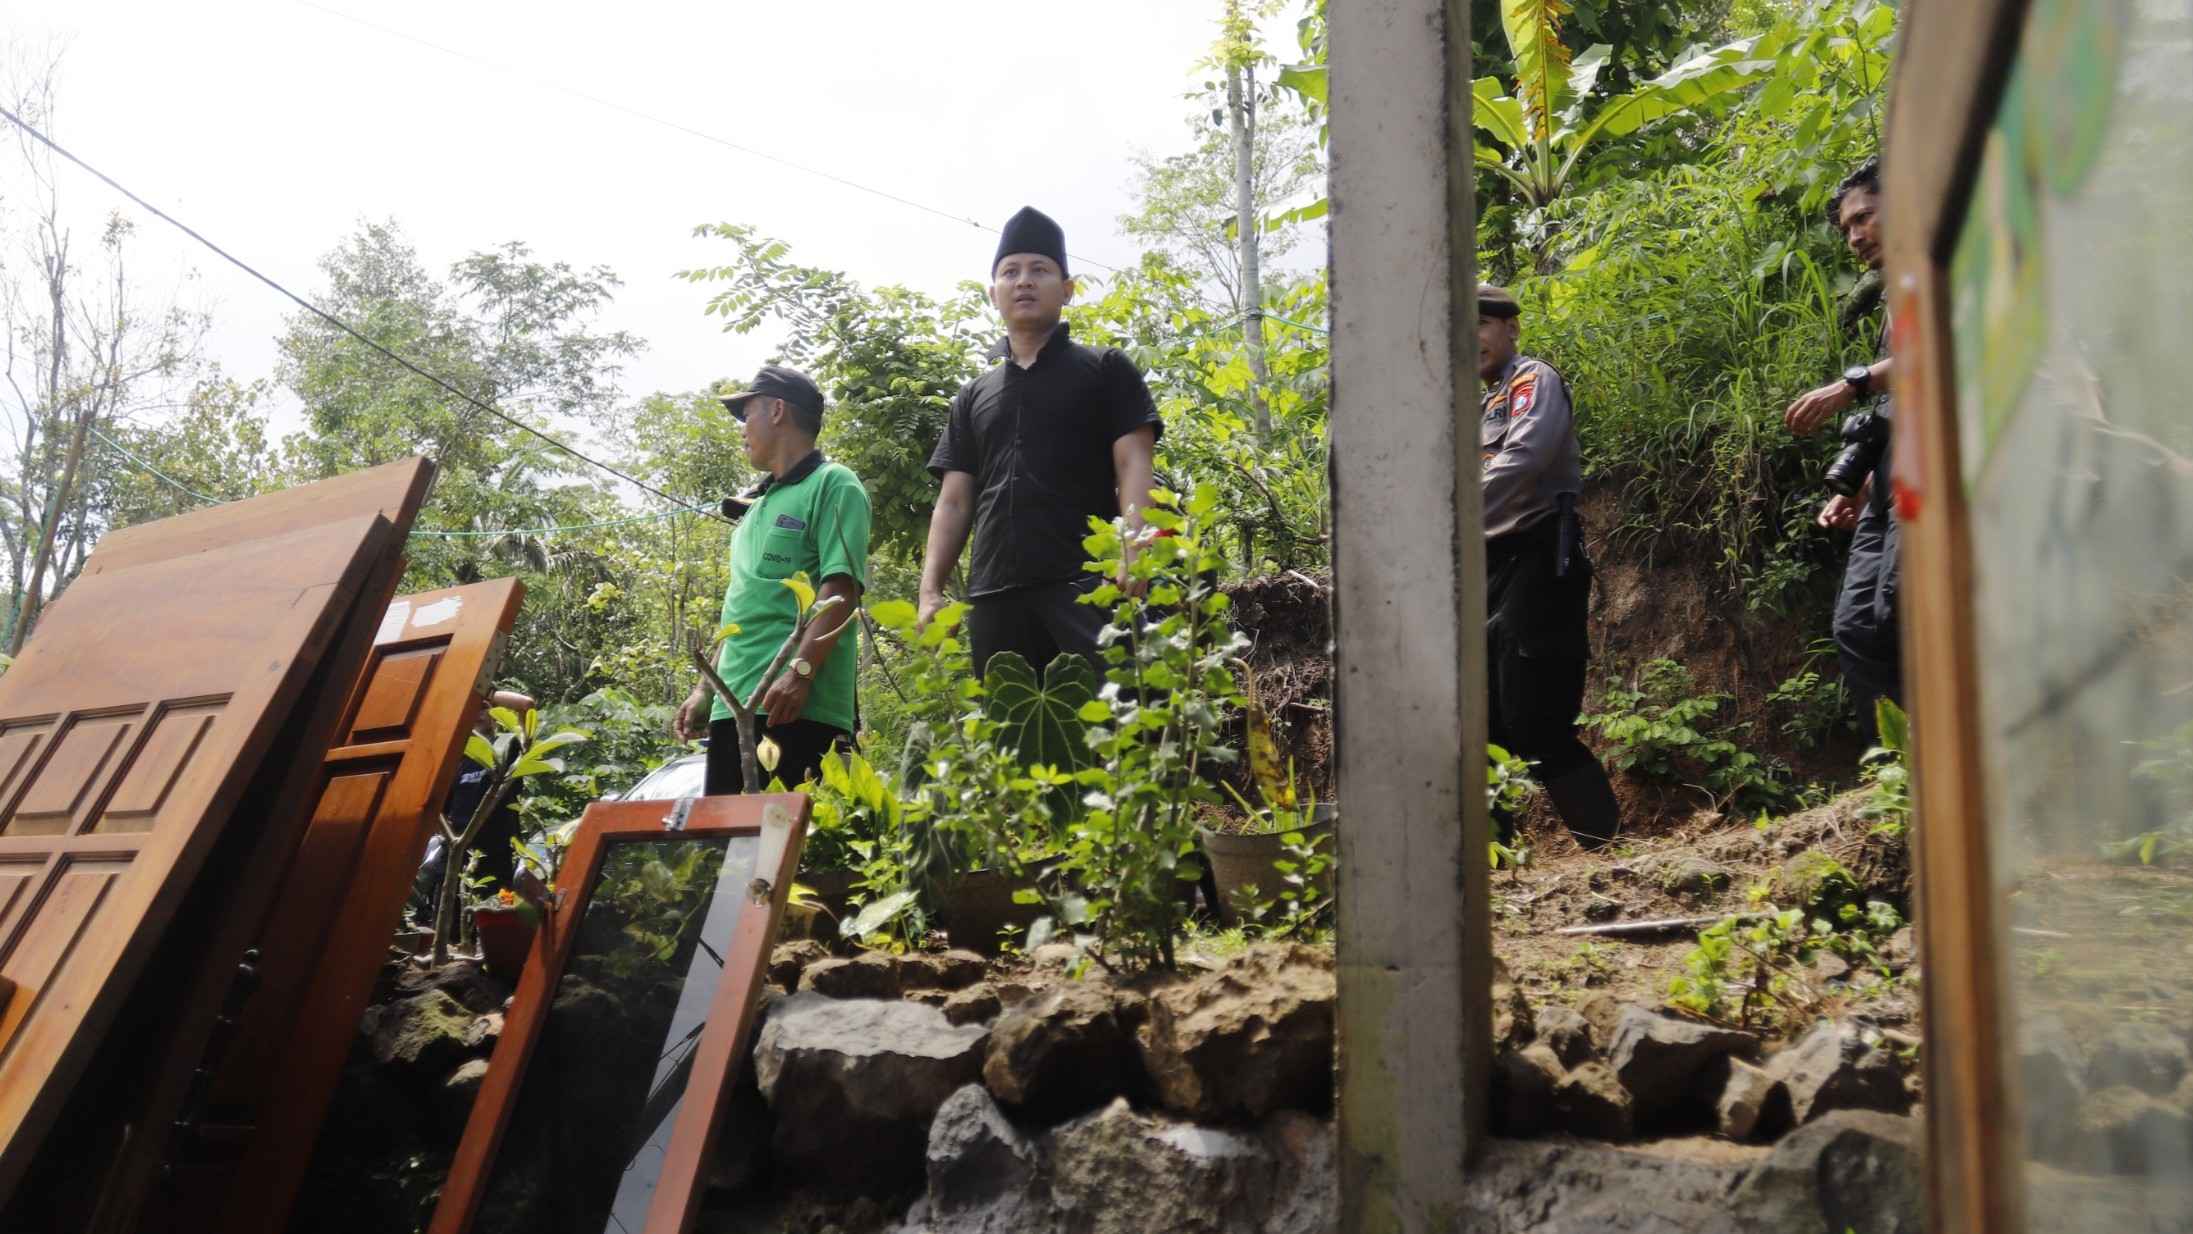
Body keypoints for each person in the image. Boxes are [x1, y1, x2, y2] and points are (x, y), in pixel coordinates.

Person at [918, 205, 1163, 677]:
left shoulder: (1105, 369)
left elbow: (1134, 462)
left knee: (1113, 726)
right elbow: (952, 502)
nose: (1023, 281)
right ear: (994, 294)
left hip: (1085, 584)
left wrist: (1135, 546)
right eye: (1010, 272)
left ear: (1067, 291)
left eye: (1039, 270)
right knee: (1011, 735)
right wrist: (931, 589)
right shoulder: (972, 396)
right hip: (993, 596)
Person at [674, 364, 872, 794]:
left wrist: (799, 673)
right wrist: (705, 690)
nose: (743, 430)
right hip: (734, 708)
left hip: (798, 707)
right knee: (731, 851)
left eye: (747, 416)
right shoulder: (755, 509)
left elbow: (840, 589)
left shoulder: (834, 484)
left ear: (778, 410)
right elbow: (742, 607)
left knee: (791, 852)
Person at [1478, 284, 1621, 849]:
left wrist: (1450, 509)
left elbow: (1527, 456)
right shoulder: (1474, 403)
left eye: (1481, 325)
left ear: (1511, 328)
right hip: (1486, 567)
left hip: (1540, 558)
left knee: (1535, 719)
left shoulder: (1530, 381)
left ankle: (1607, 850)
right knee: (1480, 723)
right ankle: (1492, 867)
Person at [1782, 159, 1902, 729]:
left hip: (1937, 476)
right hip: (1888, 487)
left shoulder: (1942, 272)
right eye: (1846, 228)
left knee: (1902, 608)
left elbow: (1952, 351)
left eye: (1865, 218)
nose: (1854, 236)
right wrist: (1861, 488)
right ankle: (1903, 766)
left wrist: (1851, 383)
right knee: (1857, 628)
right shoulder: (1892, 302)